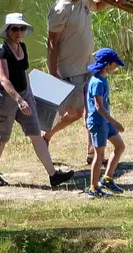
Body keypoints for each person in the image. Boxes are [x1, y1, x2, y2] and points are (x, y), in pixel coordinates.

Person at [0, 13, 75, 188]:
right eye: (15, 29)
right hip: (4, 99)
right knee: (2, 136)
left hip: (24, 96)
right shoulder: (0, 52)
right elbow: (4, 79)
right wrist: (19, 100)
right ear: (7, 30)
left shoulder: (22, 47)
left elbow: (24, 73)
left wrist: (30, 95)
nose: (19, 32)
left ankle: (53, 175)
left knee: (36, 134)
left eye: (22, 28)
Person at [45, 0, 123, 138]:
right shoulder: (59, 10)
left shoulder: (84, 0)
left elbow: (98, 5)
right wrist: (53, 74)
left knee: (94, 109)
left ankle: (93, 152)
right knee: (76, 113)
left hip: (89, 66)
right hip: (70, 71)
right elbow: (52, 43)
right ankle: (48, 134)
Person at [46, 47, 127, 196]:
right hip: (98, 123)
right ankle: (93, 188)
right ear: (107, 64)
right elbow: (98, 107)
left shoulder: (102, 79)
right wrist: (114, 122)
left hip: (105, 122)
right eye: (115, 64)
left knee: (120, 146)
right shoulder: (97, 83)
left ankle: (107, 179)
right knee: (99, 155)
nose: (116, 67)